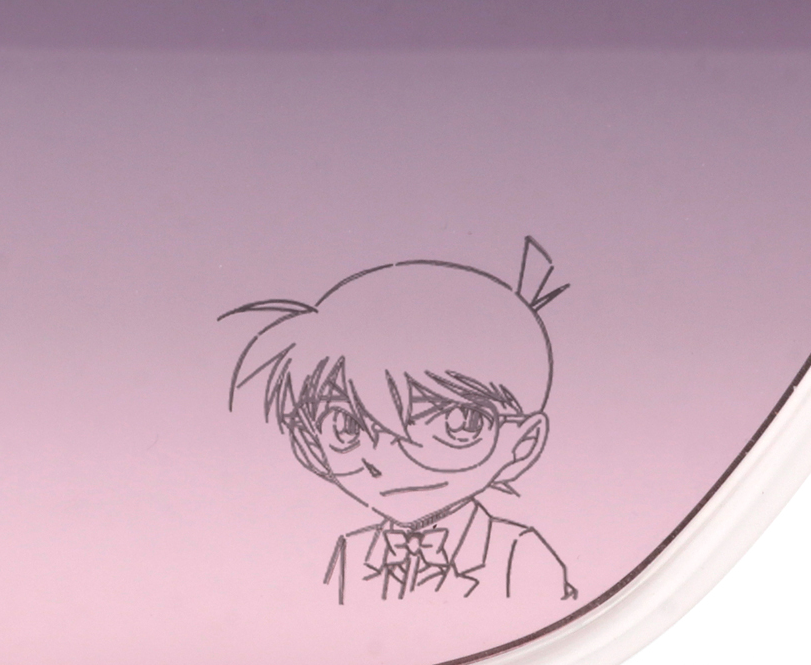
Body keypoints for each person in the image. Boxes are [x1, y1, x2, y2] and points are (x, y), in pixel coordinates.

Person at [222, 238, 578, 604]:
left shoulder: (520, 554)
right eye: (346, 427)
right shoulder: (353, 552)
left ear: (523, 444)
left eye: (458, 422)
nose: (390, 458)